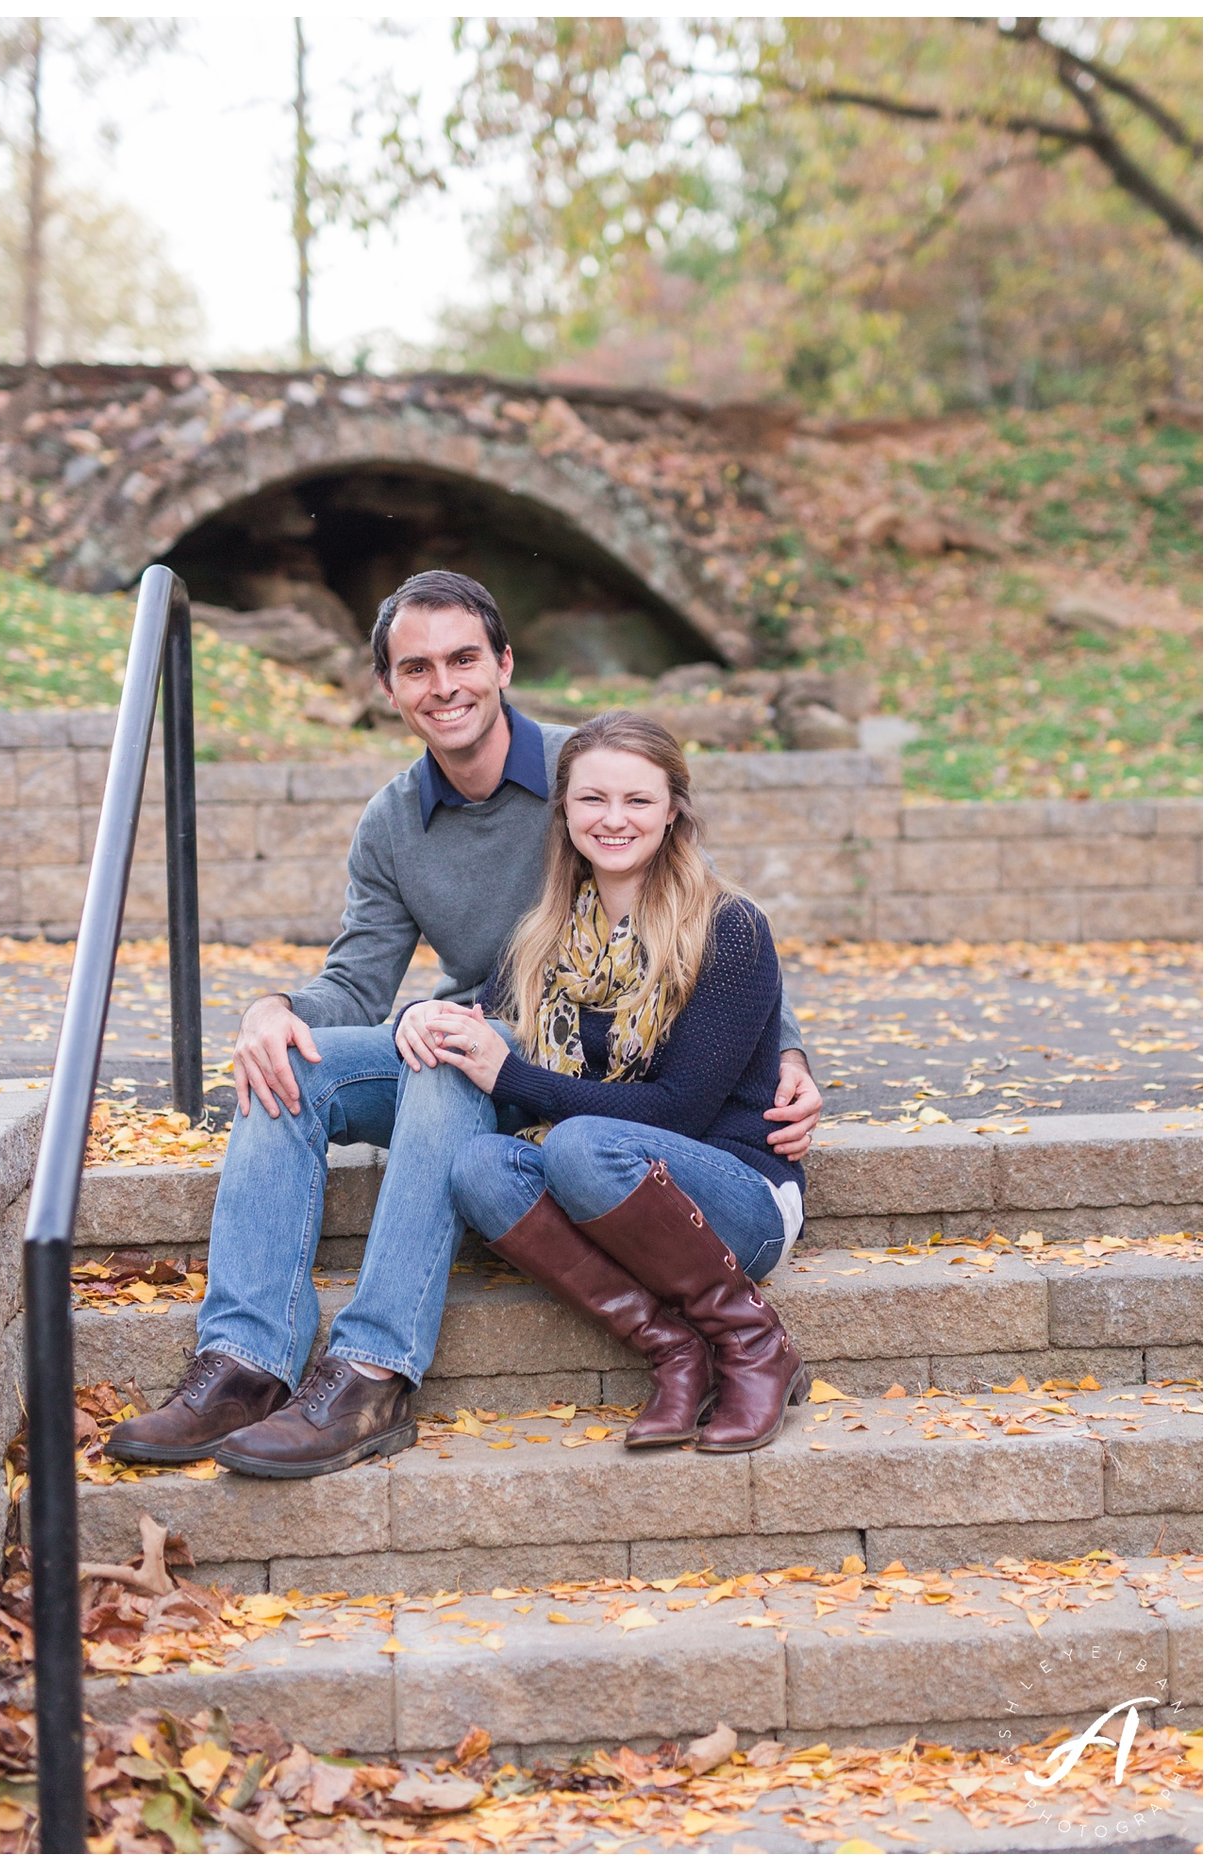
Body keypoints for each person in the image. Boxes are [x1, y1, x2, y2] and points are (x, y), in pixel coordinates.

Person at [104, 569, 823, 1480]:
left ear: (504, 664)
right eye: (417, 667)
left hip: (584, 1069)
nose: (443, 685)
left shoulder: (592, 773)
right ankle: (244, 1362)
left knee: (450, 1055)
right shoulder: (394, 822)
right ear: (390, 688)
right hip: (501, 1033)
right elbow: (358, 977)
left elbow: (699, 918)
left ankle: (372, 1370)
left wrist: (789, 1050)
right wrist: (274, 1011)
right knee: (296, 1064)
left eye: (462, 659)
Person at [434, 712, 806, 1452]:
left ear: (673, 810)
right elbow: (471, 997)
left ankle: (755, 1344)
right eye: (592, 799)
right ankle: (677, 1352)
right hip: (612, 1184)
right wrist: (422, 1017)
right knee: (480, 1165)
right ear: (564, 811)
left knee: (578, 1146)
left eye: (638, 800)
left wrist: (513, 1077)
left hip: (739, 1193)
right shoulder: (548, 935)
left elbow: (680, 1111)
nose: (613, 820)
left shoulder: (729, 927)